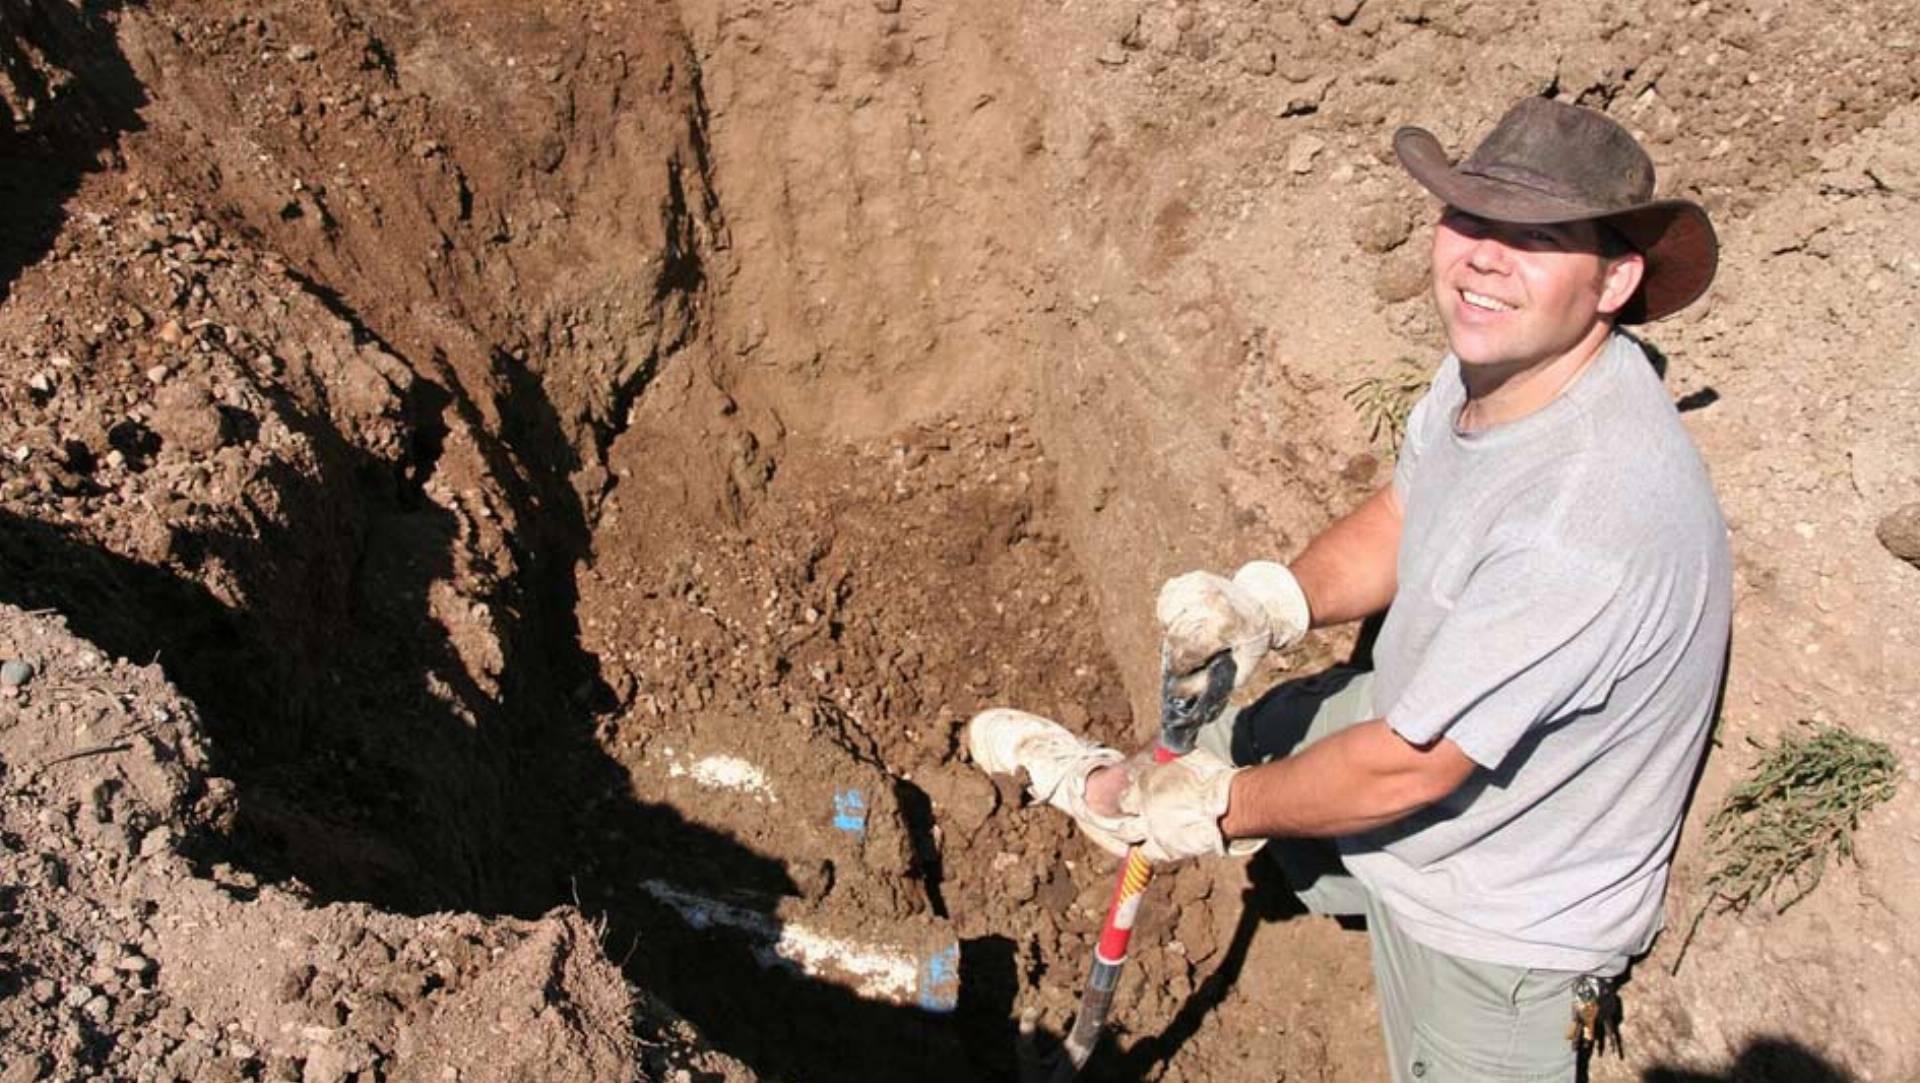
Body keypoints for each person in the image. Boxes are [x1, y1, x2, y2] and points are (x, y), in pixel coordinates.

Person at [970, 96, 1732, 1083]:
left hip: (1501, 919)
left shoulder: (1585, 522)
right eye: (1471, 219)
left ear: (1616, 279)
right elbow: (1413, 512)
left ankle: (1164, 810)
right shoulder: (1500, 373)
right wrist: (1271, 602)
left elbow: (1410, 768)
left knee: (1237, 788)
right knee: (1244, 736)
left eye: (1536, 239)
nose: (1485, 259)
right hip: (1428, 737)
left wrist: (1223, 810)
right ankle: (1115, 792)